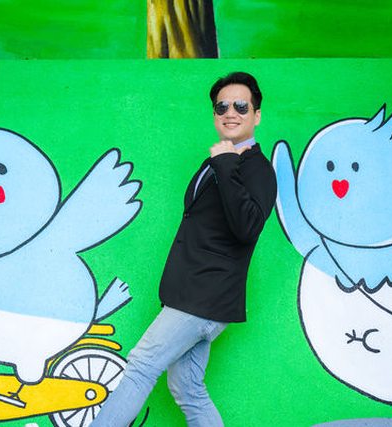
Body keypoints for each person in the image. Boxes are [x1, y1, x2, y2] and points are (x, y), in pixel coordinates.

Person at [90, 71, 276, 427]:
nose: (230, 112)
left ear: (256, 115)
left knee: (141, 366)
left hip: (205, 294)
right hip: (193, 292)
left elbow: (248, 227)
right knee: (187, 388)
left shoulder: (257, 169)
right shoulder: (217, 160)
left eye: (241, 106)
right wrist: (222, 162)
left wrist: (226, 164)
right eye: (222, 106)